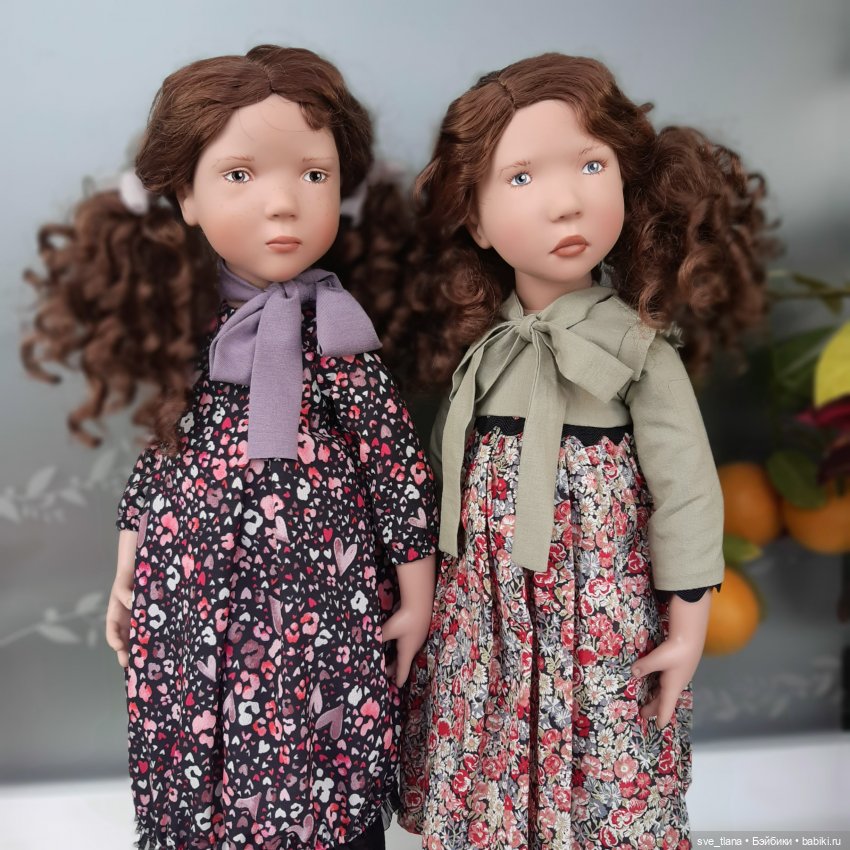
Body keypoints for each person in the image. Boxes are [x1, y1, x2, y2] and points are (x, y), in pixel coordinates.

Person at [21, 45, 437, 850]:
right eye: (240, 175)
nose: (283, 204)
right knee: (200, 747)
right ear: (185, 196)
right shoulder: (193, 328)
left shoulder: (338, 335)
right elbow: (160, 453)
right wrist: (126, 567)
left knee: (316, 756)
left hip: (320, 605)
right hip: (188, 592)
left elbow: (395, 469)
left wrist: (416, 600)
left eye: (313, 175)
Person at [397, 53, 774, 850]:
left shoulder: (636, 348)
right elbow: (444, 487)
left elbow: (687, 490)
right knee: (487, 746)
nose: (567, 200)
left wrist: (688, 627)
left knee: (605, 751)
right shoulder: (484, 355)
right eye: (521, 177)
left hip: (599, 622)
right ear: (474, 219)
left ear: (628, 182)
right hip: (486, 619)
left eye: (592, 165)